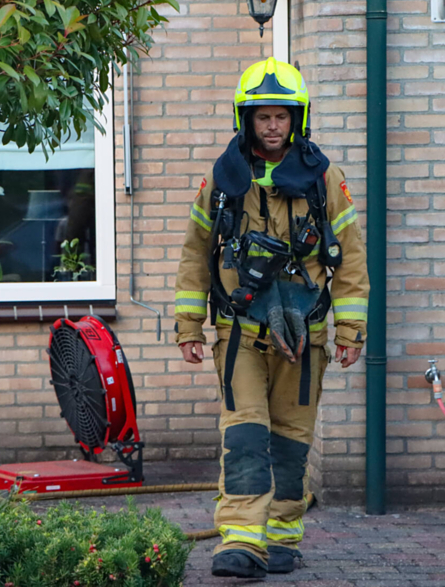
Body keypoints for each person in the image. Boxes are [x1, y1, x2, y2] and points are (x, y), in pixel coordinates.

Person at [174, 58, 370, 578]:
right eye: (262, 116)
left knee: (290, 439)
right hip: (239, 334)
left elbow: (350, 256)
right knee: (244, 435)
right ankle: (240, 540)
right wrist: (189, 326)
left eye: (282, 116)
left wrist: (351, 330)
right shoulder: (221, 180)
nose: (272, 125)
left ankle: (282, 537)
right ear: (247, 119)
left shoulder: (324, 178)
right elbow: (196, 253)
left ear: (297, 118)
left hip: (305, 337)